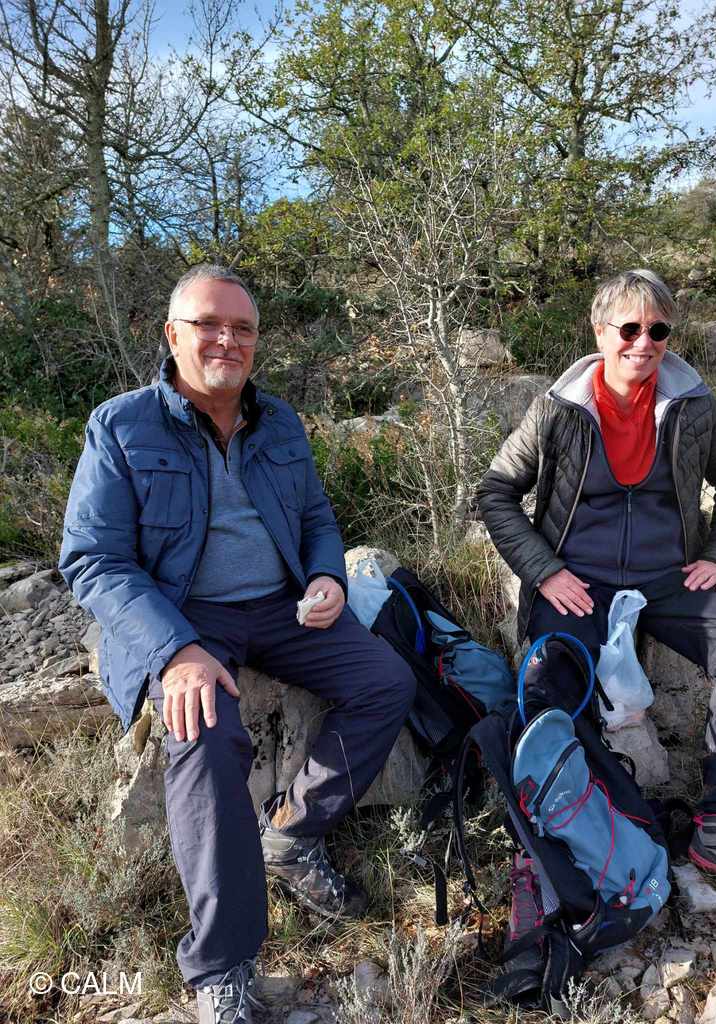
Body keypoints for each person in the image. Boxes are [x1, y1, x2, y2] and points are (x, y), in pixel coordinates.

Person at [59, 264, 416, 1024]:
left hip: (283, 608)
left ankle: (293, 833)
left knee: (386, 681)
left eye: (243, 328)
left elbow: (316, 517)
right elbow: (93, 559)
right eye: (208, 325)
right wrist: (174, 651)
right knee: (206, 732)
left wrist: (326, 576)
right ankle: (222, 969)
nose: (227, 339)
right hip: (185, 616)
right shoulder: (121, 426)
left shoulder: (278, 421)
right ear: (172, 335)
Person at [478, 268, 716, 905]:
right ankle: (564, 834)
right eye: (630, 328)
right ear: (599, 332)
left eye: (658, 331)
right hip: (578, 582)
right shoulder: (559, 409)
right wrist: (544, 570)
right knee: (549, 687)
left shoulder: (692, 405)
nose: (644, 342)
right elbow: (496, 492)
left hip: (668, 579)